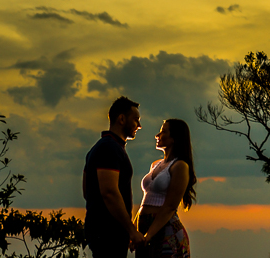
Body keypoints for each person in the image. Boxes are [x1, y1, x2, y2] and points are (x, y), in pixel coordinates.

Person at [83, 96, 144, 258]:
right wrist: (131, 230)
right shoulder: (109, 148)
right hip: (108, 233)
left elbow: (86, 191)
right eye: (136, 120)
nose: (139, 125)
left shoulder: (101, 147)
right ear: (122, 119)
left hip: (105, 231)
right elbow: (109, 192)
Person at [135, 118, 197, 258]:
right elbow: (146, 201)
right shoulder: (155, 165)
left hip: (165, 229)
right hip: (146, 226)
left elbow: (170, 206)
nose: (157, 135)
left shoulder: (180, 166)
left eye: (163, 132)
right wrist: (135, 229)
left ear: (174, 138)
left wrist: (148, 235)